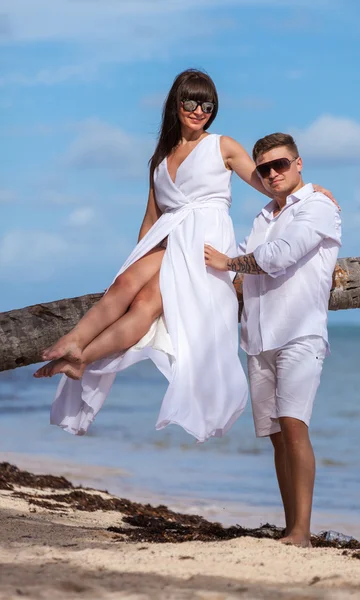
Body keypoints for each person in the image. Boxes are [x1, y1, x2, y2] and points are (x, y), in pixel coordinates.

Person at [33, 68, 273, 442]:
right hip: (166, 238)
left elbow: (265, 182)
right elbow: (150, 218)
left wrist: (304, 191)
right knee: (131, 287)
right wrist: (139, 255)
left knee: (144, 302)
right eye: (190, 102)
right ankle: (78, 349)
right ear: (176, 104)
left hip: (203, 241)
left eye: (207, 104)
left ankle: (81, 350)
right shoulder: (159, 159)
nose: (198, 110)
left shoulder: (222, 145)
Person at [204, 132, 341, 547]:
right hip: (259, 338)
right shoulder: (263, 216)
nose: (272, 173)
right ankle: (290, 527)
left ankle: (302, 532)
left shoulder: (319, 206)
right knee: (278, 437)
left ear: (298, 163)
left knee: (296, 427)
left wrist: (230, 262)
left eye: (280, 164)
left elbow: (279, 256)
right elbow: (242, 273)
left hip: (300, 333)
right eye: (263, 168)